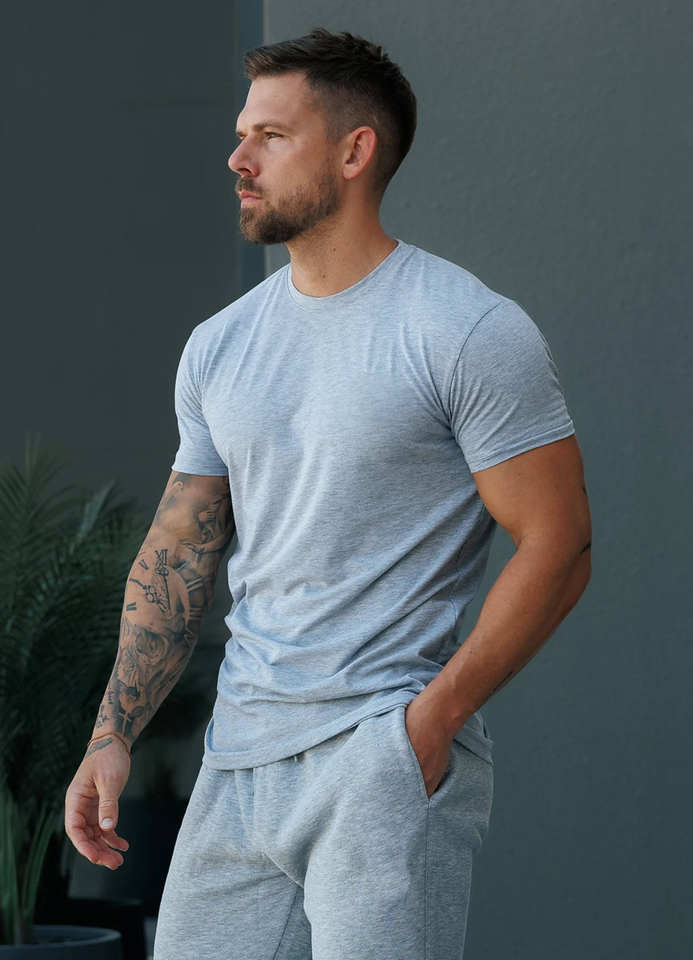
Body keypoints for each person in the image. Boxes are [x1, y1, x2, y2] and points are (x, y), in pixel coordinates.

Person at [64, 26, 591, 960]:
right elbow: (180, 548)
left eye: (270, 136)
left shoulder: (464, 329)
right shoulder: (220, 345)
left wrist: (428, 726)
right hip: (237, 762)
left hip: (378, 753)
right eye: (241, 134)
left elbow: (560, 542)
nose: (238, 159)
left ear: (354, 152)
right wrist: (113, 732)